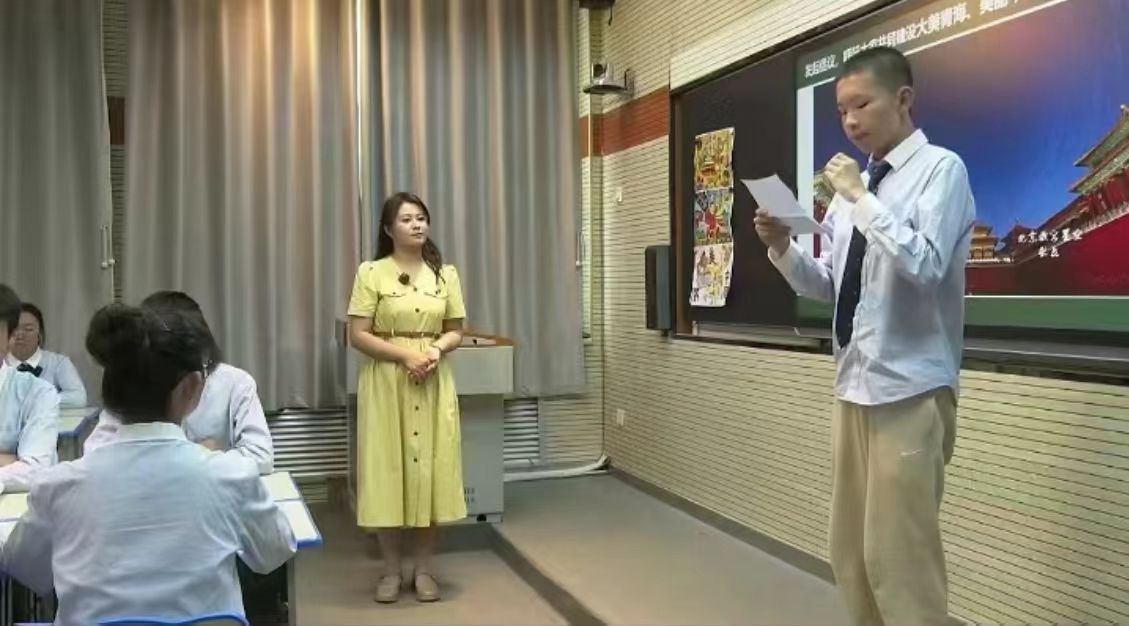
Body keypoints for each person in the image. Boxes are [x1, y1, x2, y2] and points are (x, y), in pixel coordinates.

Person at [754, 47, 975, 626]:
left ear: (903, 99)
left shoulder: (941, 171)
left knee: (900, 561)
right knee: (850, 554)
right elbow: (832, 286)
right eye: (841, 110)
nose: (850, 122)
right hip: (852, 385)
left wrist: (860, 197)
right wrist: (781, 247)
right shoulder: (854, 190)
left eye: (861, 105)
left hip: (911, 390)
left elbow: (926, 265)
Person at [1, 303, 295, 626]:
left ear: (109, 393)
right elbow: (274, 551)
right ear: (192, 388)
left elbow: (26, 568)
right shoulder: (231, 475)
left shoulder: (58, 486)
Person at [347, 192, 467, 603]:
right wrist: (404, 356)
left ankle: (425, 569)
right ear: (388, 229)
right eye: (406, 219)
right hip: (387, 382)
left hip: (432, 378)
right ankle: (390, 571)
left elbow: (456, 329)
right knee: (388, 472)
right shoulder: (371, 273)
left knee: (431, 472)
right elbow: (357, 334)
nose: (416, 225)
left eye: (421, 218)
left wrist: (434, 350)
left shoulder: (444, 275)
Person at [84, 291, 274, 474]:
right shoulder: (132, 382)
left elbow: (260, 456)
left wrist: (180, 458)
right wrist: (195, 455)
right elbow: (94, 452)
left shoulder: (236, 382)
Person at [0, 286, 58, 493]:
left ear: (11, 338)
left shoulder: (38, 393)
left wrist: (21, 465)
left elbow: (35, 471)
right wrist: (11, 459)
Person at [7, 302, 88, 407]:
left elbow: (78, 398)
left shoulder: (58, 362)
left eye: (28, 329)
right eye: (13, 328)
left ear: (40, 334)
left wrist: (39, 400)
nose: (20, 335)